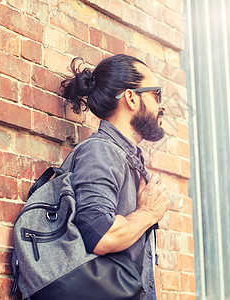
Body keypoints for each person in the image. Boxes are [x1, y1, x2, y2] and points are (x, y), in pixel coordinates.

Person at [60, 54, 171, 299]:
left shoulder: (124, 156)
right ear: (131, 98)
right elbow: (100, 234)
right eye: (156, 94)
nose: (161, 106)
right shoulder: (101, 151)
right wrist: (149, 213)